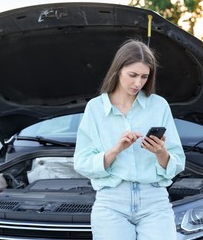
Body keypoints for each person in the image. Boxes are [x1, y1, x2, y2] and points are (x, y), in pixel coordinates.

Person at [73, 39, 185, 240]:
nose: (138, 83)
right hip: (111, 202)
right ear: (117, 70)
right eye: (132, 75)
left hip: (155, 201)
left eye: (144, 76)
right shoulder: (95, 108)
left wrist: (161, 152)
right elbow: (81, 163)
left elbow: (178, 163)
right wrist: (115, 150)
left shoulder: (159, 106)